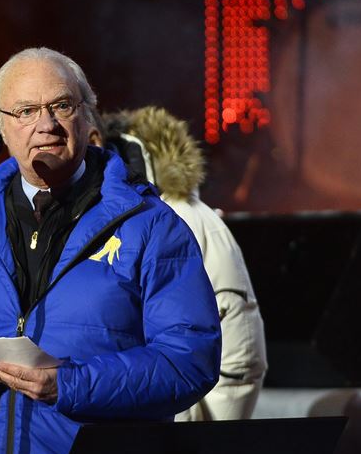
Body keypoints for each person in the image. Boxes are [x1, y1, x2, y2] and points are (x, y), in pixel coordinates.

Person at [0, 47, 221, 454]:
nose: (47, 124)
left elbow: (189, 360)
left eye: (61, 105)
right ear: (0, 127)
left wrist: (71, 383)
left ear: (87, 115)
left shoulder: (150, 225)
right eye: (26, 111)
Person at [93, 106, 267, 423]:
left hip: (181, 431)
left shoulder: (179, 220)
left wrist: (183, 429)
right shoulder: (110, 217)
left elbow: (237, 352)